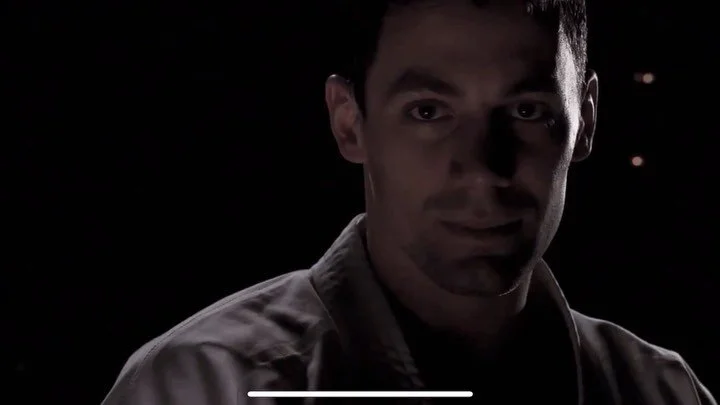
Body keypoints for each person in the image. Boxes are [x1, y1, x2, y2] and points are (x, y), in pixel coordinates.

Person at [101, 1, 716, 404]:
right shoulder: (210, 386)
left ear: (585, 122)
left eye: (526, 110)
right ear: (349, 123)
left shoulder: (661, 391)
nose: (482, 168)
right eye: (428, 112)